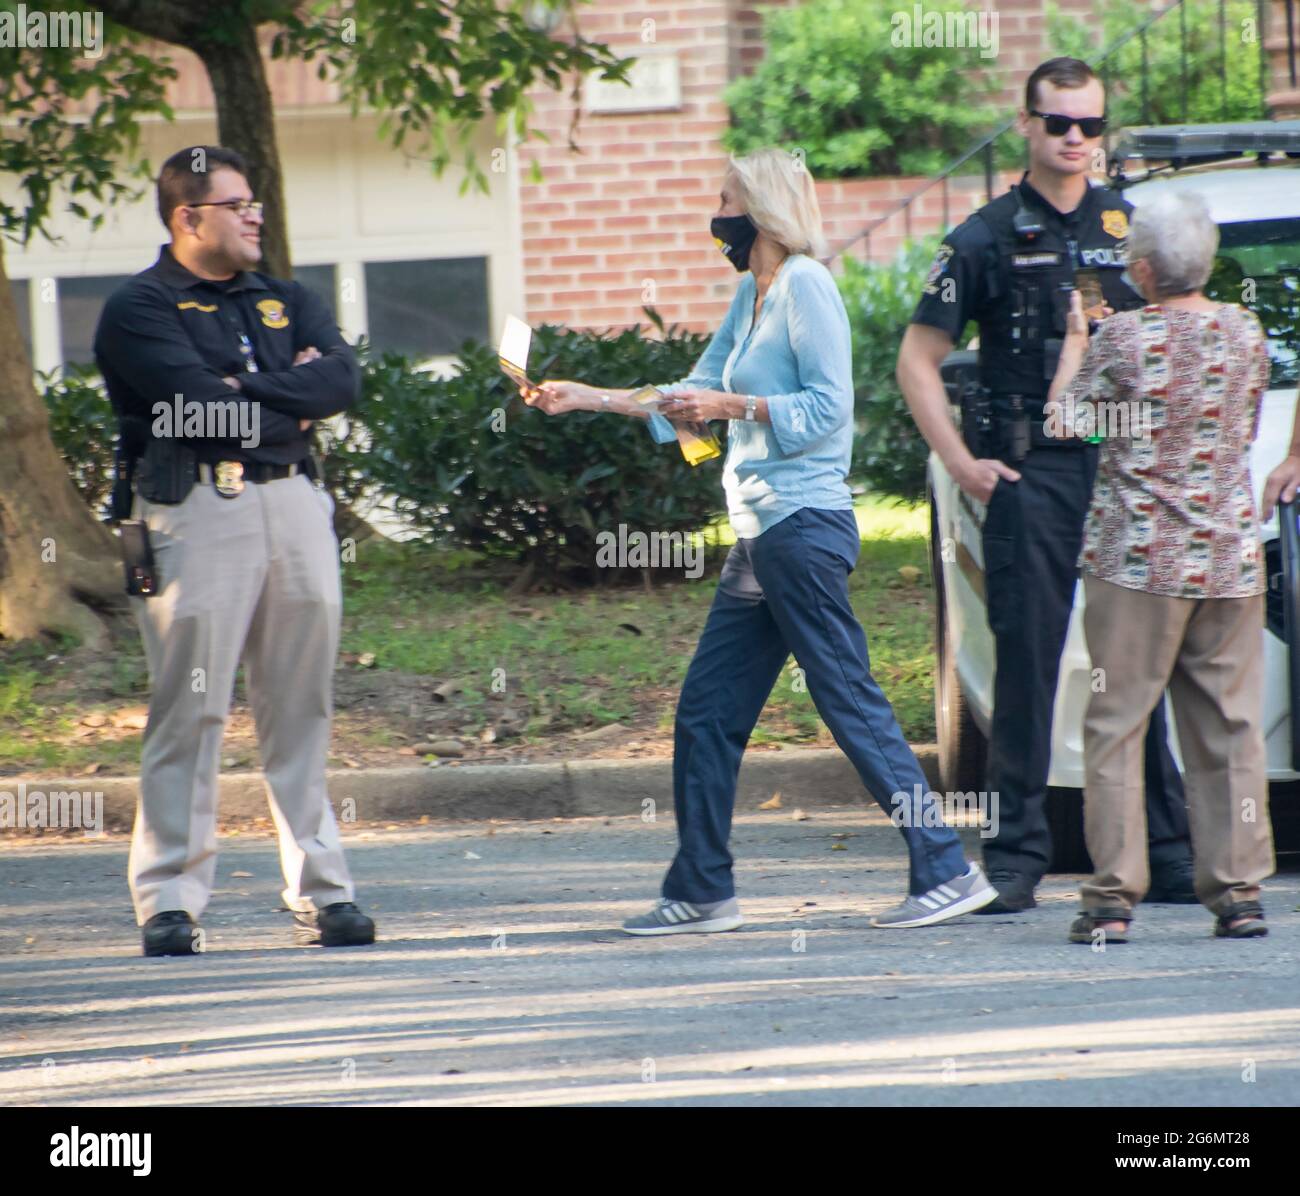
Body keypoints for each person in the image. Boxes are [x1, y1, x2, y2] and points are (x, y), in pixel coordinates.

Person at [521, 147, 996, 932]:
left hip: (804, 527)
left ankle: (945, 866)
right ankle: (702, 888)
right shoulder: (753, 295)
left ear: (762, 211)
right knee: (707, 711)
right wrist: (587, 399)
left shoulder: (808, 286)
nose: (718, 216)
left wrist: (736, 406)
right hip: (760, 537)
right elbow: (688, 395)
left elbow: (825, 411)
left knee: (848, 699)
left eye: (726, 200)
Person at [895, 57, 1195, 913]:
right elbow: (916, 363)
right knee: (1026, 666)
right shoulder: (984, 236)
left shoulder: (1134, 231)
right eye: (1058, 123)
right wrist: (962, 463)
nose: (1074, 140)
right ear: (1026, 124)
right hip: (1029, 475)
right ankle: (1019, 857)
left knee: (1135, 670)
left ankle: (1165, 853)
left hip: (1126, 474)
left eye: (1089, 126)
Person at [95, 145, 375, 956]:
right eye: (237, 205)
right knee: (193, 706)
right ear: (188, 218)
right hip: (193, 511)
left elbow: (342, 383)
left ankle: (323, 892)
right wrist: (284, 397)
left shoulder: (288, 297)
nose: (256, 216)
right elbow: (194, 410)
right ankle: (169, 899)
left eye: (255, 202)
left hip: (293, 502)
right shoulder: (139, 307)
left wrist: (242, 395)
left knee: (301, 707)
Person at [1046, 191, 1274, 941]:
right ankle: (1239, 893)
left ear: (1141, 270)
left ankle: (1112, 899)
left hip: (1135, 562)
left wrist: (1077, 342)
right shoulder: (1245, 332)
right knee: (1231, 730)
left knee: (1116, 725)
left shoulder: (1125, 342)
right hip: (1228, 559)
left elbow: (1066, 423)